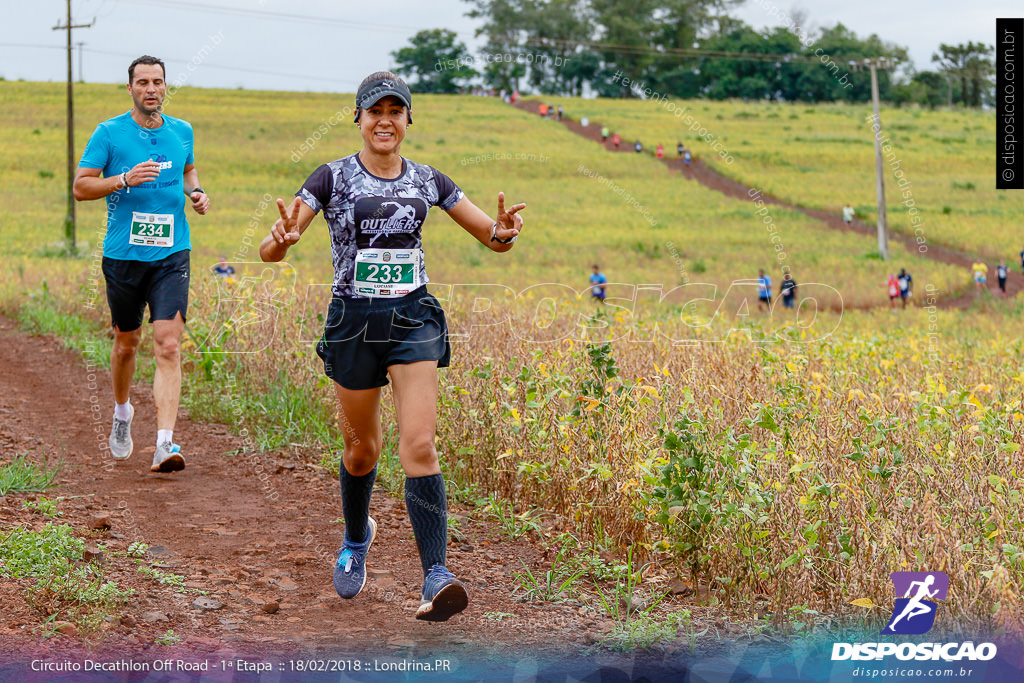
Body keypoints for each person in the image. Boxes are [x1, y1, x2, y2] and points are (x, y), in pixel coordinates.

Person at [259, 71, 524, 622]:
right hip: (354, 322)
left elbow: (490, 237)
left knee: (420, 446)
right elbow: (272, 250)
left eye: (395, 111)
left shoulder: (430, 181)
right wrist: (279, 242)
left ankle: (436, 575)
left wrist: (502, 231)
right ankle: (357, 538)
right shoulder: (332, 178)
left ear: (407, 120)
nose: (385, 120)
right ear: (358, 118)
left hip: (413, 318)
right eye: (374, 111)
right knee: (362, 452)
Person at [73, 55, 210, 473]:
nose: (152, 89)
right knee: (126, 343)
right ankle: (121, 412)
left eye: (158, 82)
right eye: (143, 82)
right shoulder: (109, 133)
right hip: (123, 258)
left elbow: (188, 170)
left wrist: (197, 192)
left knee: (169, 344)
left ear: (166, 87)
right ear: (130, 88)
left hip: (172, 254)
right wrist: (124, 179)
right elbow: (81, 187)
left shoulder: (182, 130)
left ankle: (164, 443)